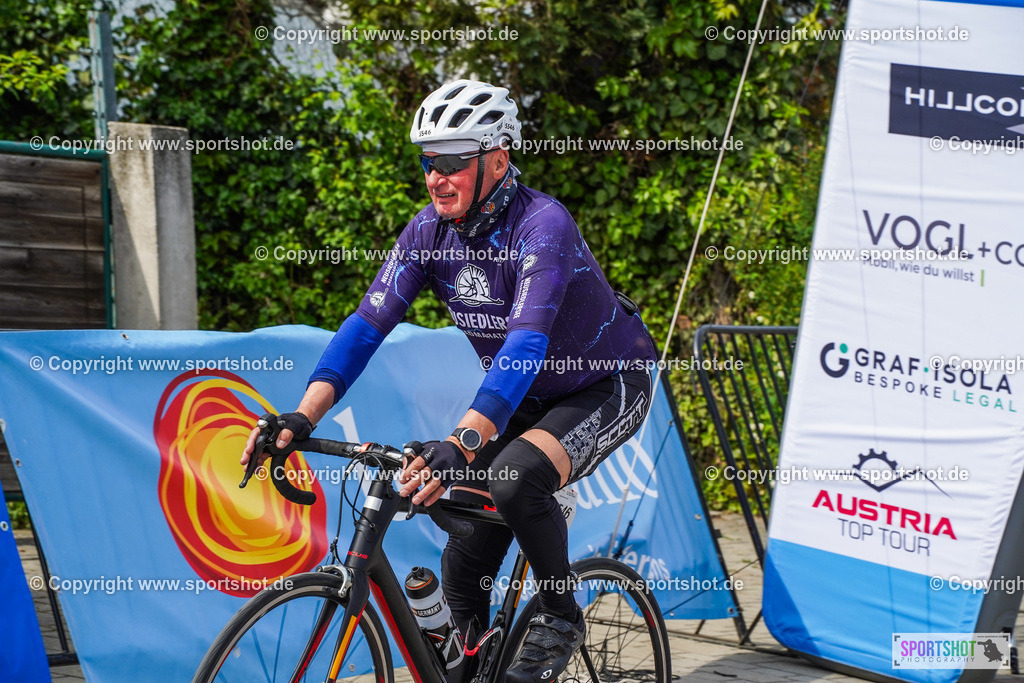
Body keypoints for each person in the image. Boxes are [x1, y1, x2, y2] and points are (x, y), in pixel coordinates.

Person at [242, 79, 657, 683]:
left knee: (514, 481)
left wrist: (460, 442)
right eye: (428, 162)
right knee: (460, 548)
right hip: (525, 397)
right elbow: (366, 325)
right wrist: (301, 416)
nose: (437, 177)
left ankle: (562, 614)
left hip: (604, 384)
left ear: (497, 159)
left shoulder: (543, 224)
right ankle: (473, 660)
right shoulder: (427, 234)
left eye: (454, 162)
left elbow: (524, 345)